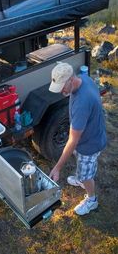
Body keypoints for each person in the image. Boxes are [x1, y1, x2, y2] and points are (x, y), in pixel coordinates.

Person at [49, 62, 106, 215]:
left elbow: (73, 141)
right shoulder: (84, 79)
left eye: (62, 86)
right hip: (93, 133)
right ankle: (81, 178)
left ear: (71, 79)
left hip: (90, 144)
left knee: (87, 174)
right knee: (83, 165)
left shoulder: (82, 102)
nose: (61, 91)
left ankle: (91, 200)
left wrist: (57, 167)